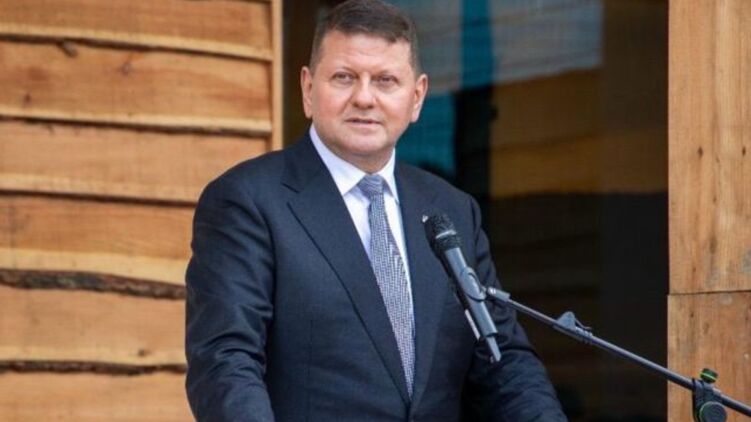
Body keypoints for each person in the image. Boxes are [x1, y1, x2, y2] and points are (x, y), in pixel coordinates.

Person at [185, 0, 566, 420]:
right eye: (344, 77)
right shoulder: (247, 201)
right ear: (308, 88)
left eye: (385, 80)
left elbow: (504, 362)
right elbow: (225, 363)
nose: (364, 98)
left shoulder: (452, 210)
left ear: (416, 97)